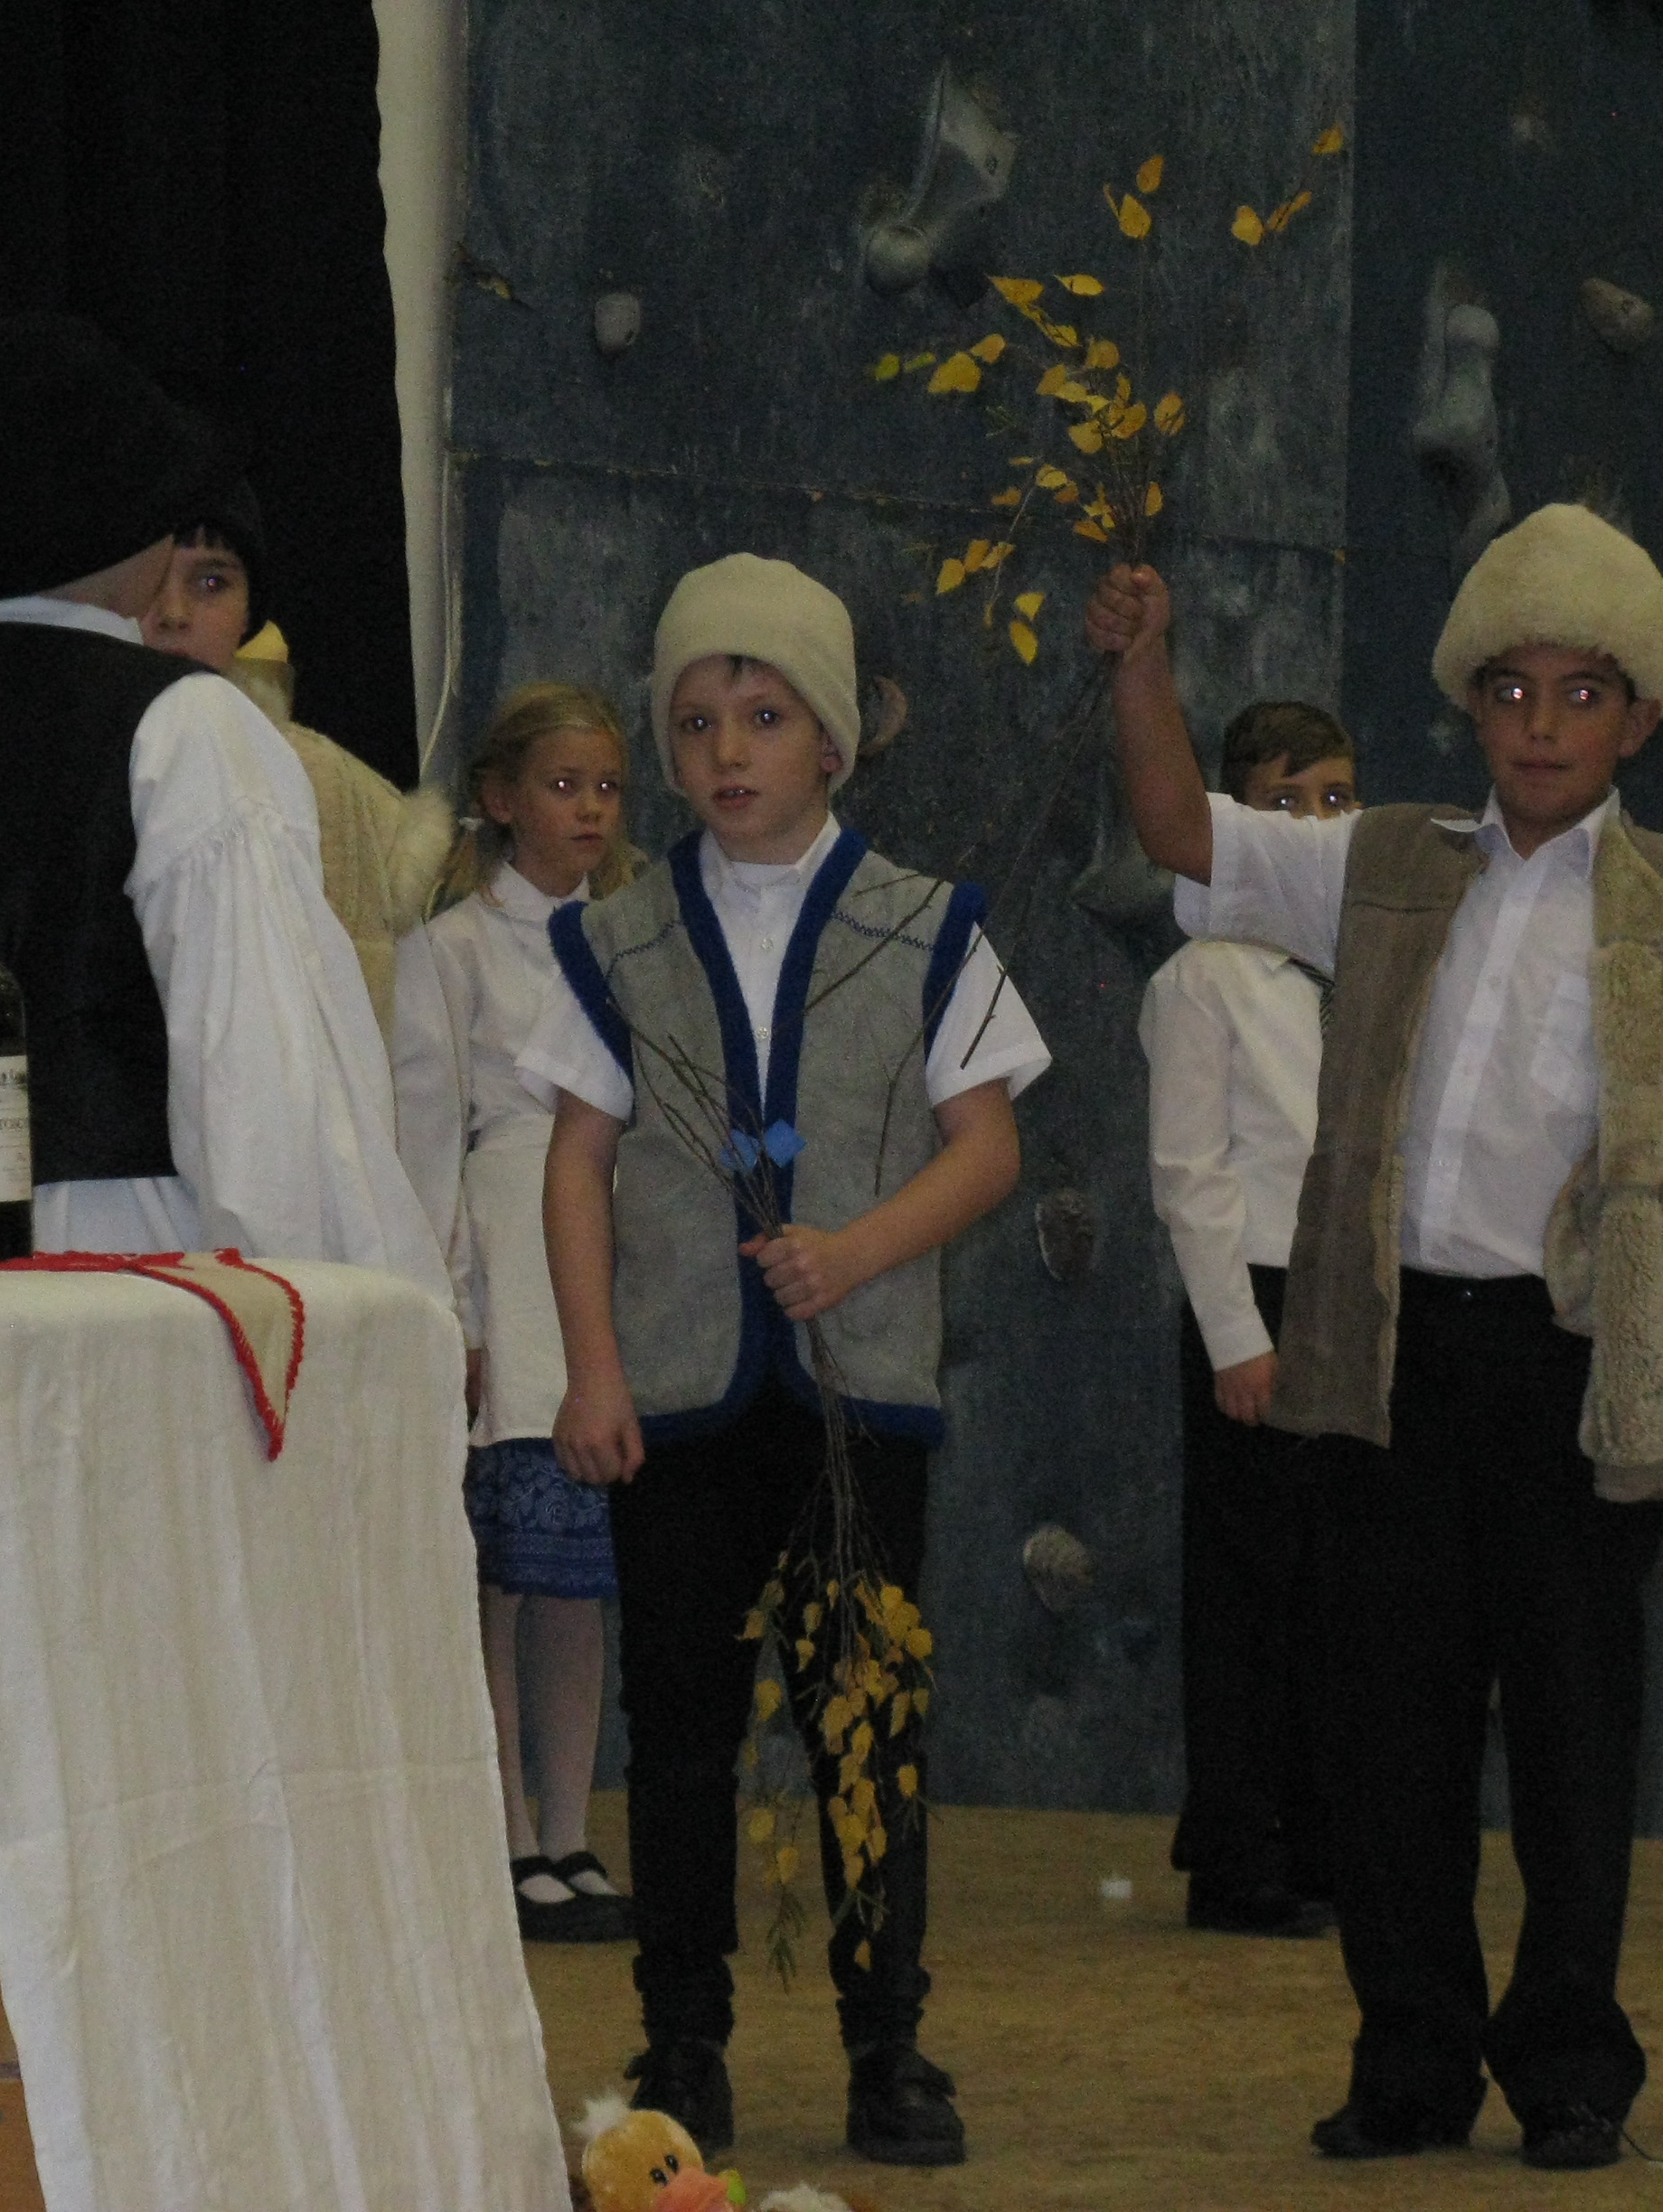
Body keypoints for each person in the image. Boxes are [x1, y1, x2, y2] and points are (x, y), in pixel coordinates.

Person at [1088, 502, 1663, 2172]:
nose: (1540, 726)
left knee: (1571, 1726)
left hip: (1570, 1366)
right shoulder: (1384, 861)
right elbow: (1178, 829)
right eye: (1509, 691)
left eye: (1580, 695)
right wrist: (1143, 669)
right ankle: (1409, 2056)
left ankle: (1567, 2064)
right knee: (1386, 1728)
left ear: (1638, 716)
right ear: (1468, 704)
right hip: (1393, 1356)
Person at [521, 553, 1050, 2169]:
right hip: (680, 1401)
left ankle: (887, 2043)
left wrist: (856, 1251)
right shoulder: (617, 935)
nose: (727, 752)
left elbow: (986, 1148)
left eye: (762, 718)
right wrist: (593, 1369)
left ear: (832, 739)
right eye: (695, 724)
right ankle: (682, 2039)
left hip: (854, 1397)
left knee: (864, 1721)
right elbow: (575, 1164)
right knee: (681, 1729)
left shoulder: (922, 923)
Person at [0, 314, 443, 1291]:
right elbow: (259, 1084)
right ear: (135, 530)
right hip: (136, 1272)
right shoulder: (186, 725)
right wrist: (322, 1308)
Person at [390, 683, 640, 1945]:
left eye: (606, 788)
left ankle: (570, 1829)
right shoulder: (451, 952)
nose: (588, 809)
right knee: (504, 1579)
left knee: (580, 1586)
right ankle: (501, 1838)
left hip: (609, 1263)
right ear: (499, 799)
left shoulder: (637, 943)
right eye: (561, 785)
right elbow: (426, 1146)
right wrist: (455, 1316)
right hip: (508, 1260)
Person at [1139, 701, 1357, 1942]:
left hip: (1352, 1301)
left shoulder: (1369, 974)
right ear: (1230, 820)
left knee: (1338, 1590)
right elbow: (1192, 1175)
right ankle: (1234, 1850)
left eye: (1336, 800)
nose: (1315, 826)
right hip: (1258, 1299)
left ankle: (1321, 1834)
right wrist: (1237, 1338)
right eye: (1284, 804)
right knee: (1248, 1591)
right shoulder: (1204, 980)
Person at [144, 473, 452, 1037]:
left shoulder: (340, 795)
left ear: (248, 612)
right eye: (149, 578)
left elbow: (413, 1059)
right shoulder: (66, 776)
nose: (174, 613)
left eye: (211, 582)